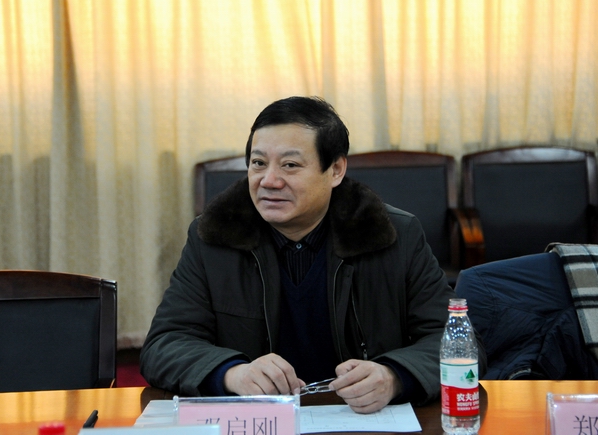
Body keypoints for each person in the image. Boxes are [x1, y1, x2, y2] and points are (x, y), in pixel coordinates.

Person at [140, 96, 487, 414]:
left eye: (290, 165)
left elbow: (459, 343)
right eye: (258, 163)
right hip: (260, 421)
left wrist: (394, 376)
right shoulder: (214, 236)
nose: (269, 180)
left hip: (359, 420)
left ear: (335, 170)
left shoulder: (393, 235)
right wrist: (232, 373)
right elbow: (164, 344)